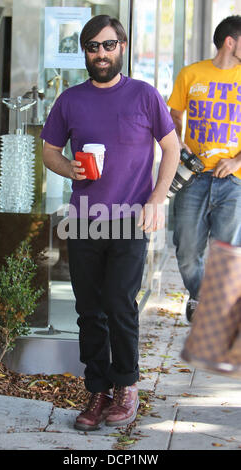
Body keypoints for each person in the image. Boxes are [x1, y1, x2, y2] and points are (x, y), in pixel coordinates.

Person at [41, 14, 179, 431]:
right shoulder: (70, 100)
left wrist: (156, 199)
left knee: (120, 304)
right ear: (85, 52)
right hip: (84, 221)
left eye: (107, 45)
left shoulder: (144, 96)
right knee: (88, 310)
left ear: (122, 47)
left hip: (129, 221)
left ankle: (127, 385)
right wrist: (71, 170)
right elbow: (49, 151)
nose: (100, 54)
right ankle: (97, 388)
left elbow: (171, 149)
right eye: (92, 47)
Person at [167, 15, 241, 322]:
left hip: (233, 181)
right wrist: (179, 145)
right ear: (230, 42)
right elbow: (172, 117)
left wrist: (236, 161)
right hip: (193, 178)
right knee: (186, 252)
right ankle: (200, 296)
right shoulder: (191, 74)